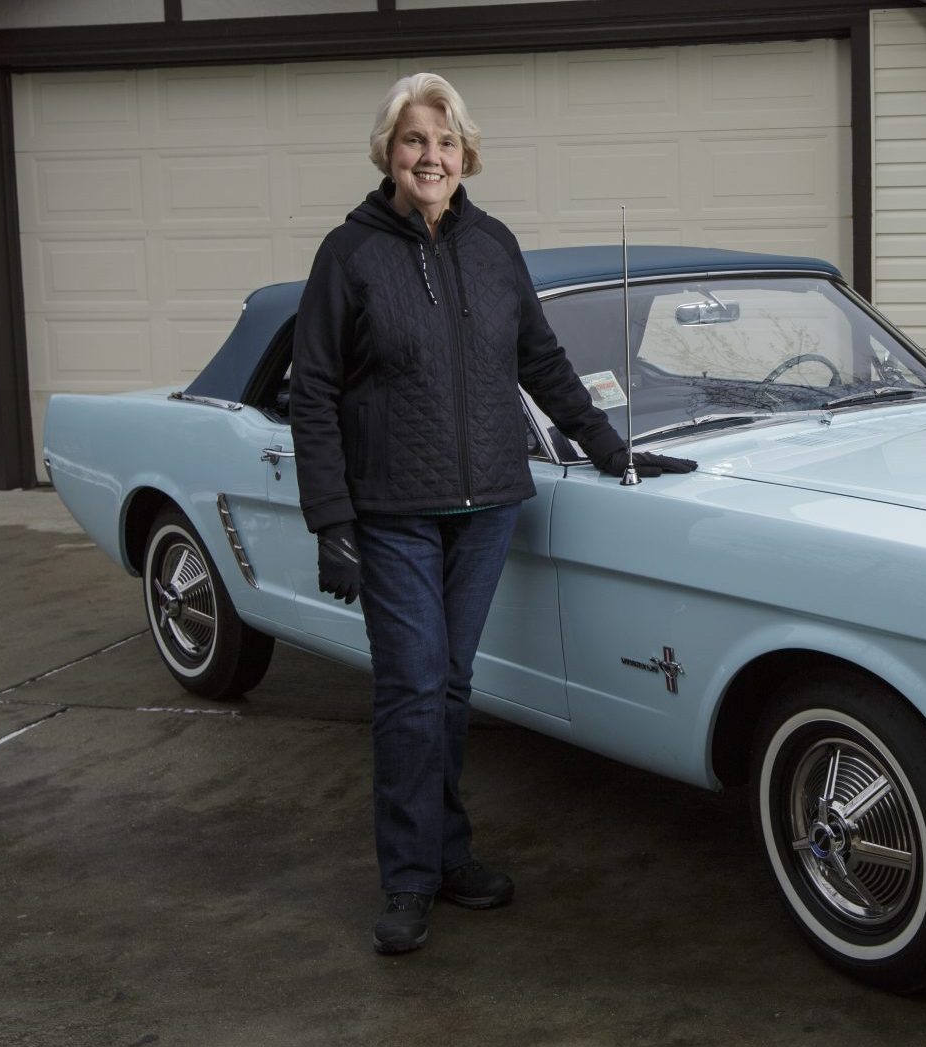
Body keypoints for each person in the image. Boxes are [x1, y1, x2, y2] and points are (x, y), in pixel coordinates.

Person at [289, 72, 695, 955]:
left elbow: (542, 364)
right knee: (410, 688)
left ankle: (447, 855)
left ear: (466, 154)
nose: (429, 156)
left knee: (453, 687)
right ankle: (407, 879)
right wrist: (330, 519)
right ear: (388, 154)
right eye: (412, 141)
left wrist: (611, 449)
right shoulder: (348, 254)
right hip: (392, 509)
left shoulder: (494, 244)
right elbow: (312, 392)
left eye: (444, 142)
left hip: (488, 510)